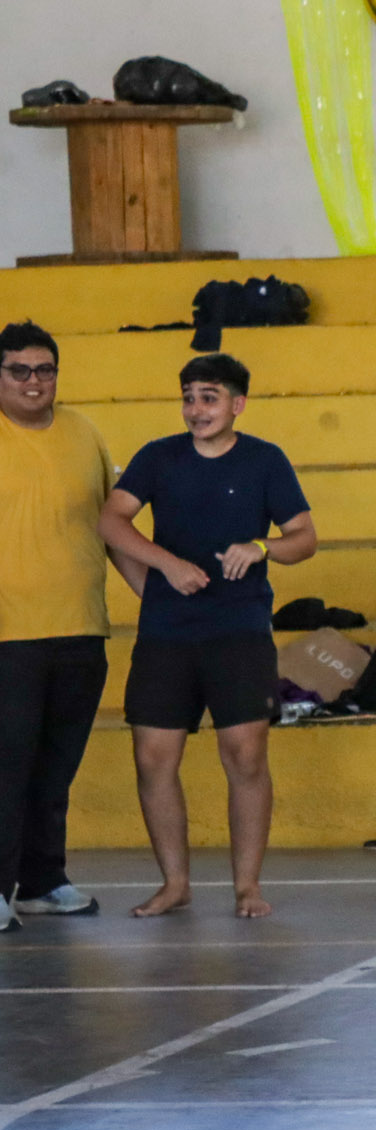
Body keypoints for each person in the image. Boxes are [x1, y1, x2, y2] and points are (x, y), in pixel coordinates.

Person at [97, 354, 316, 920]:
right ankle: (176, 884)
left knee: (245, 756)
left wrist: (262, 547)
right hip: (165, 633)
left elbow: (304, 537)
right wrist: (165, 566)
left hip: (239, 631)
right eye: (189, 397)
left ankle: (247, 887)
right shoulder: (157, 456)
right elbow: (111, 522)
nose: (197, 409)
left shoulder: (265, 460)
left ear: (237, 404)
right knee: (152, 759)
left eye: (210, 397)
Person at [0, 322, 129, 928]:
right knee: (7, 767)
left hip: (81, 628)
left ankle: (42, 881)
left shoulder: (84, 433)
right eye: (19, 370)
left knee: (55, 768)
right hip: (8, 636)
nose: (34, 381)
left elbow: (114, 528)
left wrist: (158, 596)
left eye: (45, 369)